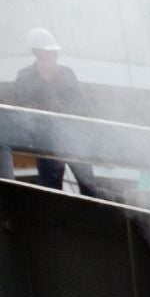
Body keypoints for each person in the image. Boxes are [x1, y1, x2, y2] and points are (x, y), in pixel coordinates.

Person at [8, 28, 96, 195]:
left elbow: (81, 105)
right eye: (46, 51)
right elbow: (19, 106)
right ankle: (52, 220)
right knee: (50, 188)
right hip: (45, 140)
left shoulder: (67, 74)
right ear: (36, 52)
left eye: (53, 52)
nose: (51, 55)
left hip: (73, 139)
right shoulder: (25, 76)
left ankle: (95, 218)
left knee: (88, 184)